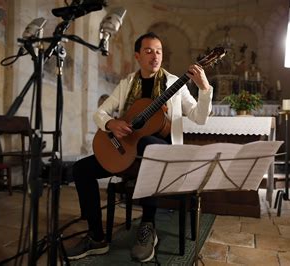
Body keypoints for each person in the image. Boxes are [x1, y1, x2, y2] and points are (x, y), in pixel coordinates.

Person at [67, 32, 213, 262]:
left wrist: (204, 89)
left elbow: (200, 118)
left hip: (161, 157)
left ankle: (148, 226)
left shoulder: (175, 83)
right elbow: (100, 113)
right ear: (137, 56)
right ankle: (96, 236)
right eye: (148, 51)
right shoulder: (126, 84)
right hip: (128, 153)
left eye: (159, 51)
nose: (155, 56)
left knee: (147, 143)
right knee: (81, 169)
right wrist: (112, 123)